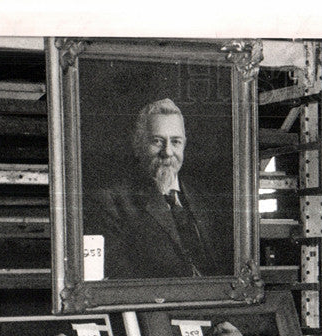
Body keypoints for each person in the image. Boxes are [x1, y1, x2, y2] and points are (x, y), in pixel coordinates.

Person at [85, 98, 232, 279]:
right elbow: (118, 280)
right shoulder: (111, 203)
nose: (168, 152)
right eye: (157, 141)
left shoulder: (206, 200)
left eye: (176, 142)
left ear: (184, 145)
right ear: (137, 145)